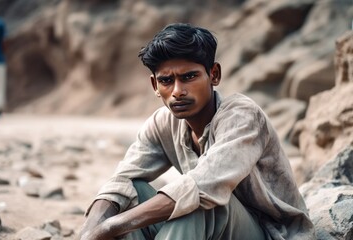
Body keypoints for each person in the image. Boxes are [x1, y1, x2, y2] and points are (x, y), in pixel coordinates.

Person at [79, 23, 315, 240]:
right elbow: (122, 180)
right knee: (132, 191)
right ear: (155, 85)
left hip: (271, 234)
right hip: (207, 232)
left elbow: (202, 188)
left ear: (214, 75)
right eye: (166, 81)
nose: (177, 91)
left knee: (199, 203)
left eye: (189, 77)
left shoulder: (242, 116)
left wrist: (110, 227)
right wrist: (91, 231)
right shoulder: (164, 122)